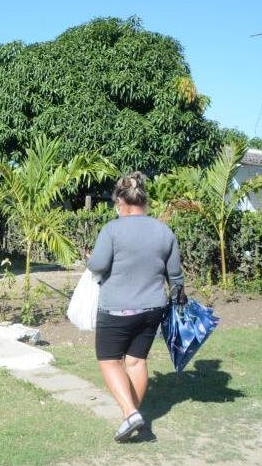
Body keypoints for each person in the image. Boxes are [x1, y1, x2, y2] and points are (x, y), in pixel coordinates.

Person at [87, 172, 184, 442]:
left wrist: (89, 259)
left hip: (117, 308)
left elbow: (97, 266)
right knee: (136, 361)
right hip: (153, 308)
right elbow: (175, 275)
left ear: (120, 200)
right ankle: (131, 417)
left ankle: (130, 413)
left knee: (109, 361)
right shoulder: (164, 230)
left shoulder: (112, 229)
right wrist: (176, 298)